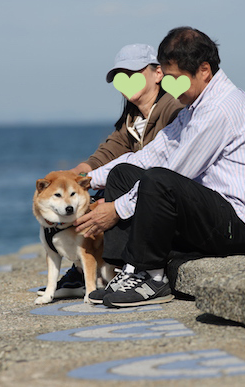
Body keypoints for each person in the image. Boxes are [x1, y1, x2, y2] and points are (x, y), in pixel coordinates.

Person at [74, 26, 245, 308]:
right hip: (213, 214)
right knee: (123, 174)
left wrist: (116, 209)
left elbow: (176, 173)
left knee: (160, 180)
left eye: (174, 80)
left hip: (242, 228)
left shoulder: (220, 109)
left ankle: (153, 278)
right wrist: (87, 180)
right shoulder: (195, 107)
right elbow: (151, 154)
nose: (169, 89)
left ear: (203, 70)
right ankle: (129, 271)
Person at [38, 43, 184, 299]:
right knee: (83, 197)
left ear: (158, 73)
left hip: (169, 196)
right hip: (146, 189)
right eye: (121, 77)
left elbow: (163, 163)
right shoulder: (132, 119)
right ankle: (84, 267)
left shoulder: (173, 109)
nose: (127, 81)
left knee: (113, 182)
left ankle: (119, 268)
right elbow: (107, 152)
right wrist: (74, 177)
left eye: (134, 73)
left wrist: (113, 200)